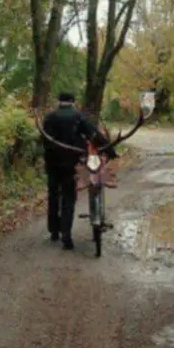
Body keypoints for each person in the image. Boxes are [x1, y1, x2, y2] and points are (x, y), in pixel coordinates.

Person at [41, 92, 117, 250]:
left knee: (53, 195)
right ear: (73, 102)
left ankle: (54, 231)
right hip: (71, 165)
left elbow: (43, 140)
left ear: (58, 102)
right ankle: (66, 237)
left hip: (53, 165)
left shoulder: (49, 118)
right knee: (68, 198)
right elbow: (94, 135)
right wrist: (110, 150)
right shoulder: (77, 116)